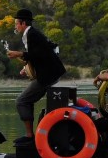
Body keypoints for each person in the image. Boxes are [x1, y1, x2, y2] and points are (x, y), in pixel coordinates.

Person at [6, 8, 66, 140]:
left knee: (21, 101)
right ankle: (32, 134)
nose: (15, 26)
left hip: (48, 75)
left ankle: (29, 135)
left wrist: (19, 54)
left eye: (16, 23)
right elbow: (37, 56)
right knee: (27, 100)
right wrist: (26, 68)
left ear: (22, 23)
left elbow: (39, 54)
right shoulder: (32, 34)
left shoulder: (31, 34)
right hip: (51, 73)